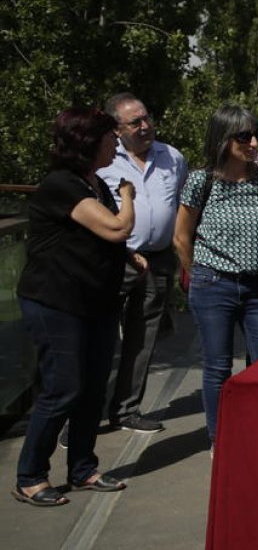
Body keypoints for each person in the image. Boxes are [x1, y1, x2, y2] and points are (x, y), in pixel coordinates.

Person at [14, 107, 140, 506]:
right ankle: (30, 475)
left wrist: (128, 257)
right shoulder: (63, 185)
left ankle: (83, 468)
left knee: (91, 389)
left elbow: (102, 241)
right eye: (110, 138)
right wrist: (127, 195)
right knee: (63, 387)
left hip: (94, 302)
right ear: (89, 142)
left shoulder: (92, 184)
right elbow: (117, 227)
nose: (116, 144)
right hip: (56, 303)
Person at [174, 105, 258, 448]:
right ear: (223, 138)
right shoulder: (201, 180)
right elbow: (181, 236)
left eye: (255, 135)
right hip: (213, 284)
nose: (252, 143)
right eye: (243, 136)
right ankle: (221, 440)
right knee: (218, 368)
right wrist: (200, 275)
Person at [97, 93, 188, 435]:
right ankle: (81, 415)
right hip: (114, 259)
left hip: (157, 259)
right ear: (117, 129)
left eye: (147, 118)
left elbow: (182, 208)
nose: (145, 126)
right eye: (135, 122)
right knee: (100, 337)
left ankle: (126, 409)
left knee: (142, 337)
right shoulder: (104, 158)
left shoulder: (172, 157)